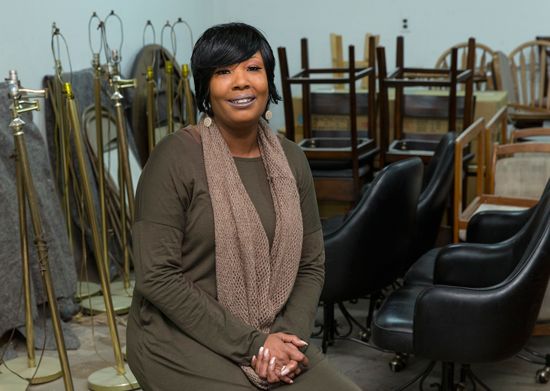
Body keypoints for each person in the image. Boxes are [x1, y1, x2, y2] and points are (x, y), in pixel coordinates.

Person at [126, 22, 361, 391]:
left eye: (253, 68)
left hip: (271, 332)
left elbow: (310, 263)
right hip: (177, 336)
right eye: (223, 72)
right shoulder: (174, 157)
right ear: (205, 87)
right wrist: (253, 345)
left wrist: (283, 340)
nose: (240, 82)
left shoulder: (291, 159)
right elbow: (157, 276)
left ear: (268, 80)